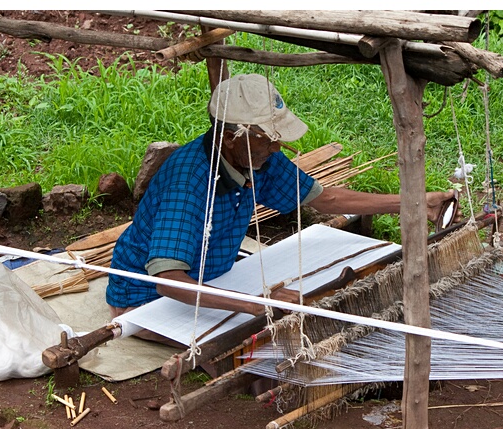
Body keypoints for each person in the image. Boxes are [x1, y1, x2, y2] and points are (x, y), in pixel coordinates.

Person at [106, 73, 458, 340]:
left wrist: (416, 203)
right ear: (231, 137)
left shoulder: (256, 157)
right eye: (268, 139)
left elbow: (327, 199)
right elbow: (169, 281)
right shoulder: (190, 182)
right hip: (148, 302)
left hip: (214, 277)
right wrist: (255, 303)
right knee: (260, 339)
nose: (276, 149)